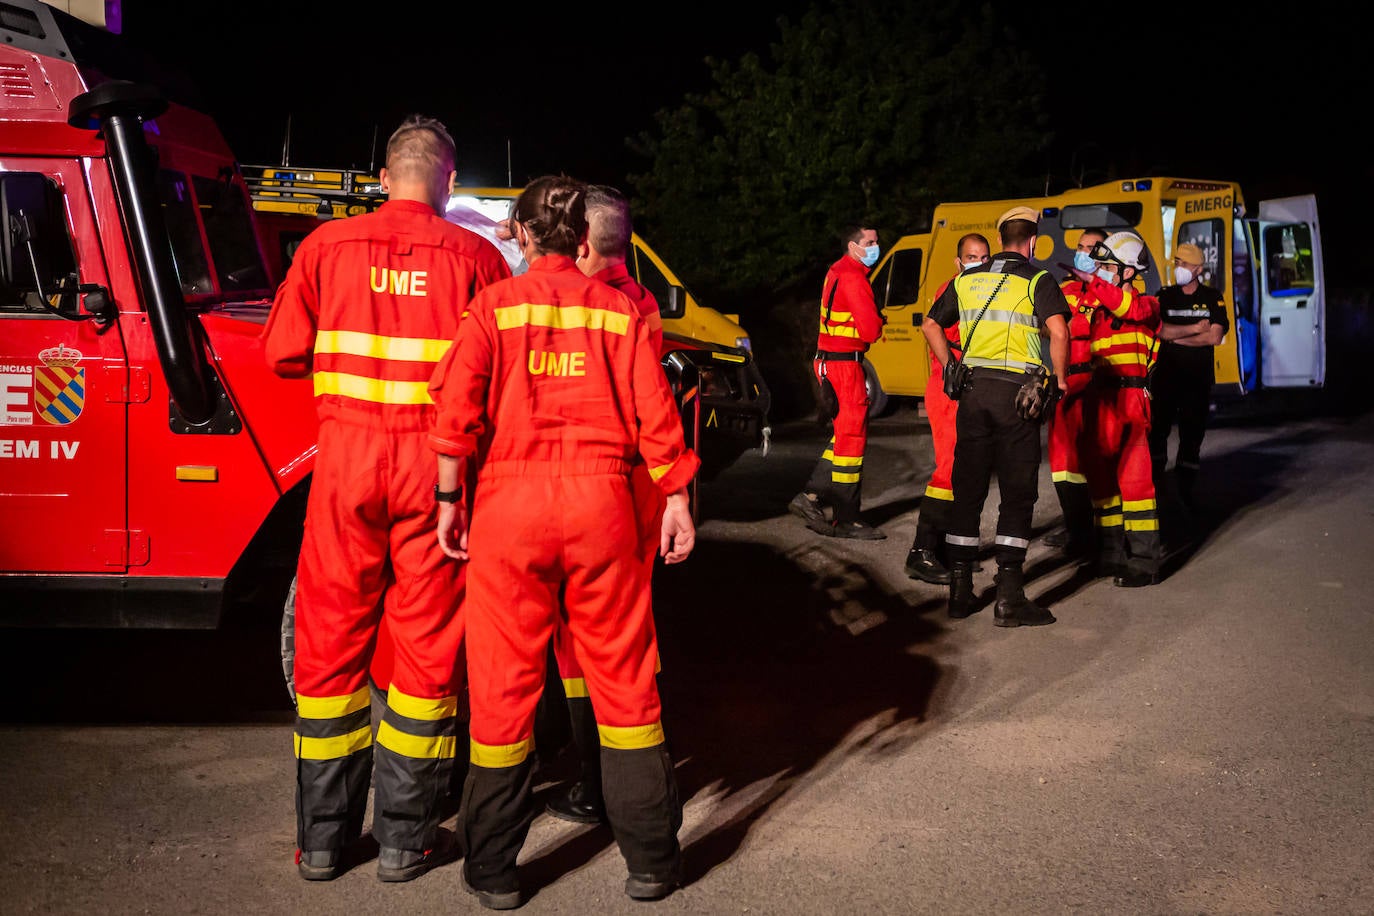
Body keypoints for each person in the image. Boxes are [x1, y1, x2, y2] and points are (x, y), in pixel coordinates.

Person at [428, 175, 699, 909]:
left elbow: (453, 412)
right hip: (603, 505)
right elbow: (656, 418)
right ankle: (651, 862)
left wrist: (450, 498)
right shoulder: (619, 312)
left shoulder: (492, 307)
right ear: (584, 237)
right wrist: (676, 497)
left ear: (519, 235)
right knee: (626, 681)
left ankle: (493, 871)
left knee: (503, 690)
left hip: (510, 510)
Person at [263, 114, 511, 882]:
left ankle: (324, 842)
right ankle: (405, 840)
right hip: (436, 474)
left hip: (344, 469)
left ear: (381, 176)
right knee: (425, 648)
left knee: (329, 642)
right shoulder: (474, 256)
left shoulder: (323, 248)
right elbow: (500, 377)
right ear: (446, 177)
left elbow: (281, 354)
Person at [544, 184, 669, 826]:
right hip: (638, 486)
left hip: (596, 484)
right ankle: (614, 776)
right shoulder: (641, 301)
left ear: (584, 242)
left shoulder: (592, 306)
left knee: (577, 638)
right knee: (623, 629)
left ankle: (593, 782)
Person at [922, 206, 1069, 626]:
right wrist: (1059, 380)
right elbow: (1059, 331)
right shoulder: (1037, 279)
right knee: (1017, 493)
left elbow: (932, 325)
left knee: (967, 490)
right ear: (1033, 242)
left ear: (1001, 239)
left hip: (972, 394)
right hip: (1017, 397)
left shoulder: (967, 279)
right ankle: (1009, 597)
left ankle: (960, 592)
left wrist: (950, 364)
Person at [788, 223, 887, 540]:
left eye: (876, 240)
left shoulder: (837, 270)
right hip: (845, 367)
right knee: (852, 442)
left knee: (843, 435)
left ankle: (811, 497)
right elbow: (871, 331)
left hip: (830, 362)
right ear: (853, 245)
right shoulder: (855, 278)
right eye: (869, 241)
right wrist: (877, 319)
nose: (875, 245)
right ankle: (847, 517)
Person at [904, 233, 989, 584]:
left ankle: (948, 548)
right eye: (971, 257)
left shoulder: (984, 291)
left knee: (964, 471)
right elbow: (937, 331)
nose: (978, 262)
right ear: (959, 262)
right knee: (948, 469)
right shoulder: (951, 289)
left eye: (984, 256)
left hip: (965, 390)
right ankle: (921, 552)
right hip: (948, 390)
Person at [1079, 230, 1162, 587]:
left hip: (1130, 400)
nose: (1100, 270)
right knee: (1102, 483)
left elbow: (1127, 307)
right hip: (1101, 399)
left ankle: (1144, 563)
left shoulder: (1148, 306)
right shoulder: (1098, 308)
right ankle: (1110, 555)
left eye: (1107, 266)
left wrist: (1093, 285)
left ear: (1128, 271)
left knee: (1136, 484)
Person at [1043, 228, 1110, 558]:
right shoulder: (1065, 289)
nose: (1083, 252)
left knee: (1097, 458)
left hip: (1097, 385)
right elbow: (1048, 326)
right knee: (1062, 461)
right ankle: (1076, 527)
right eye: (1080, 247)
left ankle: (1102, 529)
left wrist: (1067, 329)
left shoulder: (1112, 292)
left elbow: (1086, 330)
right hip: (1065, 382)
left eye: (1091, 248)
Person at [1147, 241, 1228, 514]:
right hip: (1166, 379)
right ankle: (1156, 490)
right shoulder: (1165, 296)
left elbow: (1215, 336)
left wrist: (1175, 336)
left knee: (1192, 438)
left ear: (1198, 268)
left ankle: (1184, 492)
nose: (1178, 268)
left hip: (1197, 381)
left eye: (1184, 263)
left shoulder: (1212, 296)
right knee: (1157, 434)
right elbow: (1159, 332)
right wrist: (1195, 329)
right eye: (1177, 262)